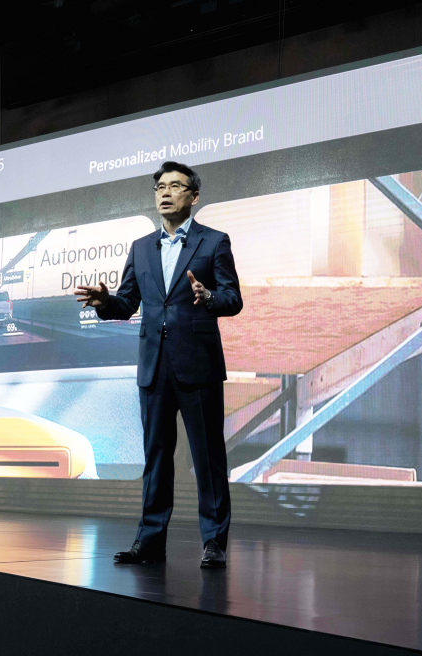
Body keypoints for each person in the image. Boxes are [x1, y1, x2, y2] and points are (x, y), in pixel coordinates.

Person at [74, 161, 243, 569]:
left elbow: (233, 299)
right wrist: (105, 302)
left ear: (194, 196)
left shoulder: (214, 242)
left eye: (175, 186)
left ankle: (214, 542)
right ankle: (150, 541)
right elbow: (127, 302)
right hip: (154, 366)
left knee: (208, 458)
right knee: (156, 456)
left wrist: (209, 298)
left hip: (198, 364)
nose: (165, 193)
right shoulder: (140, 248)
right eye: (160, 187)